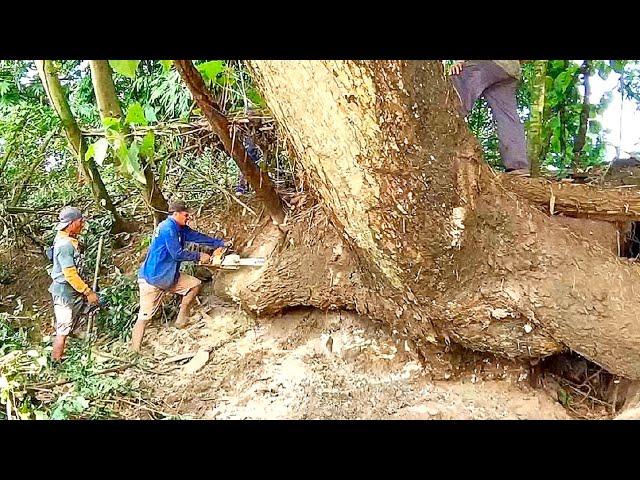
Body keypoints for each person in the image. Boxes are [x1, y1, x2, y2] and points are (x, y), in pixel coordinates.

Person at [131, 200, 228, 352]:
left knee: (194, 285)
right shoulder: (168, 228)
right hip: (153, 278)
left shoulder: (179, 227)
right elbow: (177, 253)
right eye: (185, 215)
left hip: (168, 275)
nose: (188, 217)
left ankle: (181, 320)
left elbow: (195, 236)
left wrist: (218, 243)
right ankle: (134, 351)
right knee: (144, 317)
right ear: (175, 214)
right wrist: (198, 256)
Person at [448, 60, 530, 176]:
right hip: (511, 67)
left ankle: (446, 127)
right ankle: (518, 166)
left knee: (458, 79)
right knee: (507, 117)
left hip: (491, 63)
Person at [48, 206, 99, 361]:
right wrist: (88, 291)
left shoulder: (66, 238)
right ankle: (56, 360)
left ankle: (78, 344)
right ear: (71, 223)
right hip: (65, 292)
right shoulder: (64, 245)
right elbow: (70, 274)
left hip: (72, 291)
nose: (82, 225)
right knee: (63, 328)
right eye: (79, 222)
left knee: (75, 319)